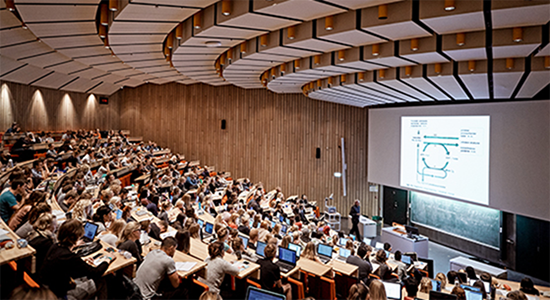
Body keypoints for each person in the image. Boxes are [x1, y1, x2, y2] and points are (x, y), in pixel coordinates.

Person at [40, 219, 115, 300]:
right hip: (60, 295)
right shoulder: (70, 257)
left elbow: (69, 264)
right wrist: (108, 259)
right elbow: (95, 272)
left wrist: (80, 259)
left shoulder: (54, 246)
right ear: (76, 237)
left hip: (47, 289)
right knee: (100, 281)